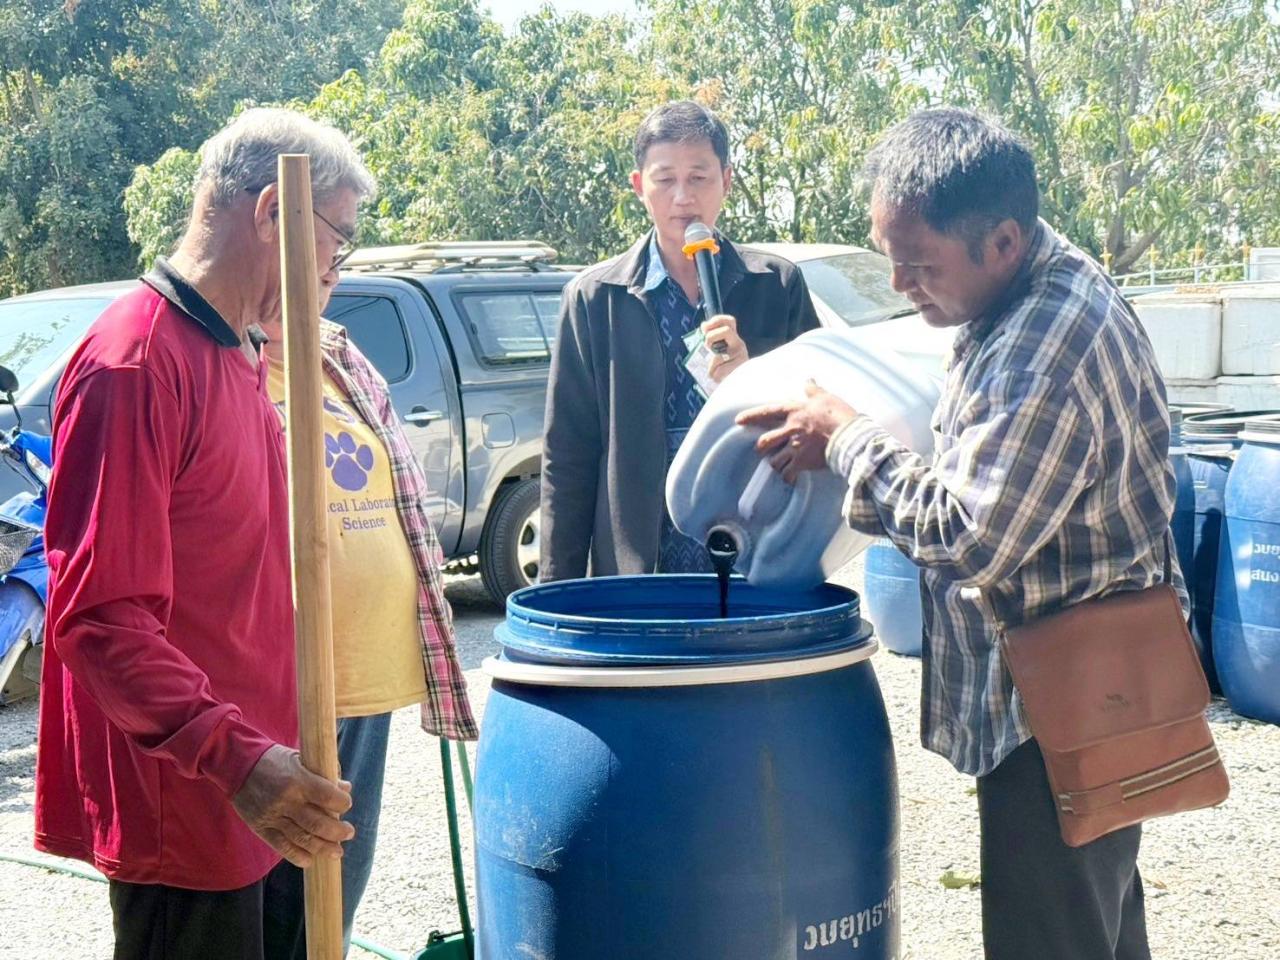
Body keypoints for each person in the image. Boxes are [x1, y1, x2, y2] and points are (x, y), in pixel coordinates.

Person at [740, 108, 1184, 960]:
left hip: (1060, 715)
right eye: (891, 258)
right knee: (1094, 930)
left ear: (1003, 242)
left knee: (1049, 936)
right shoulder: (1014, 295)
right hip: (1084, 697)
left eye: (919, 264)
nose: (903, 284)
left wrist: (847, 438)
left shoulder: (1046, 340)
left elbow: (973, 534)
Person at [36, 107, 373, 959]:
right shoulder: (135, 364)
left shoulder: (240, 351)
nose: (335, 270)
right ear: (272, 213)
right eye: (336, 242)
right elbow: (100, 618)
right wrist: (235, 761)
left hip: (265, 784)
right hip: (190, 804)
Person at [257, 290, 478, 957]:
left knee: (338, 884)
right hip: (284, 677)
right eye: (320, 251)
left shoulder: (336, 350)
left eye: (336, 262)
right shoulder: (231, 358)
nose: (325, 276)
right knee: (277, 893)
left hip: (366, 664)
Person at [539, 100, 820, 580]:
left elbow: (819, 418)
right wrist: (554, 592)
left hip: (757, 543)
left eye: (699, 178)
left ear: (726, 182)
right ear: (639, 187)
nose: (683, 198)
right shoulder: (594, 298)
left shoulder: (776, 283)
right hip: (641, 557)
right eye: (665, 179)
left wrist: (750, 379)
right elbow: (567, 455)